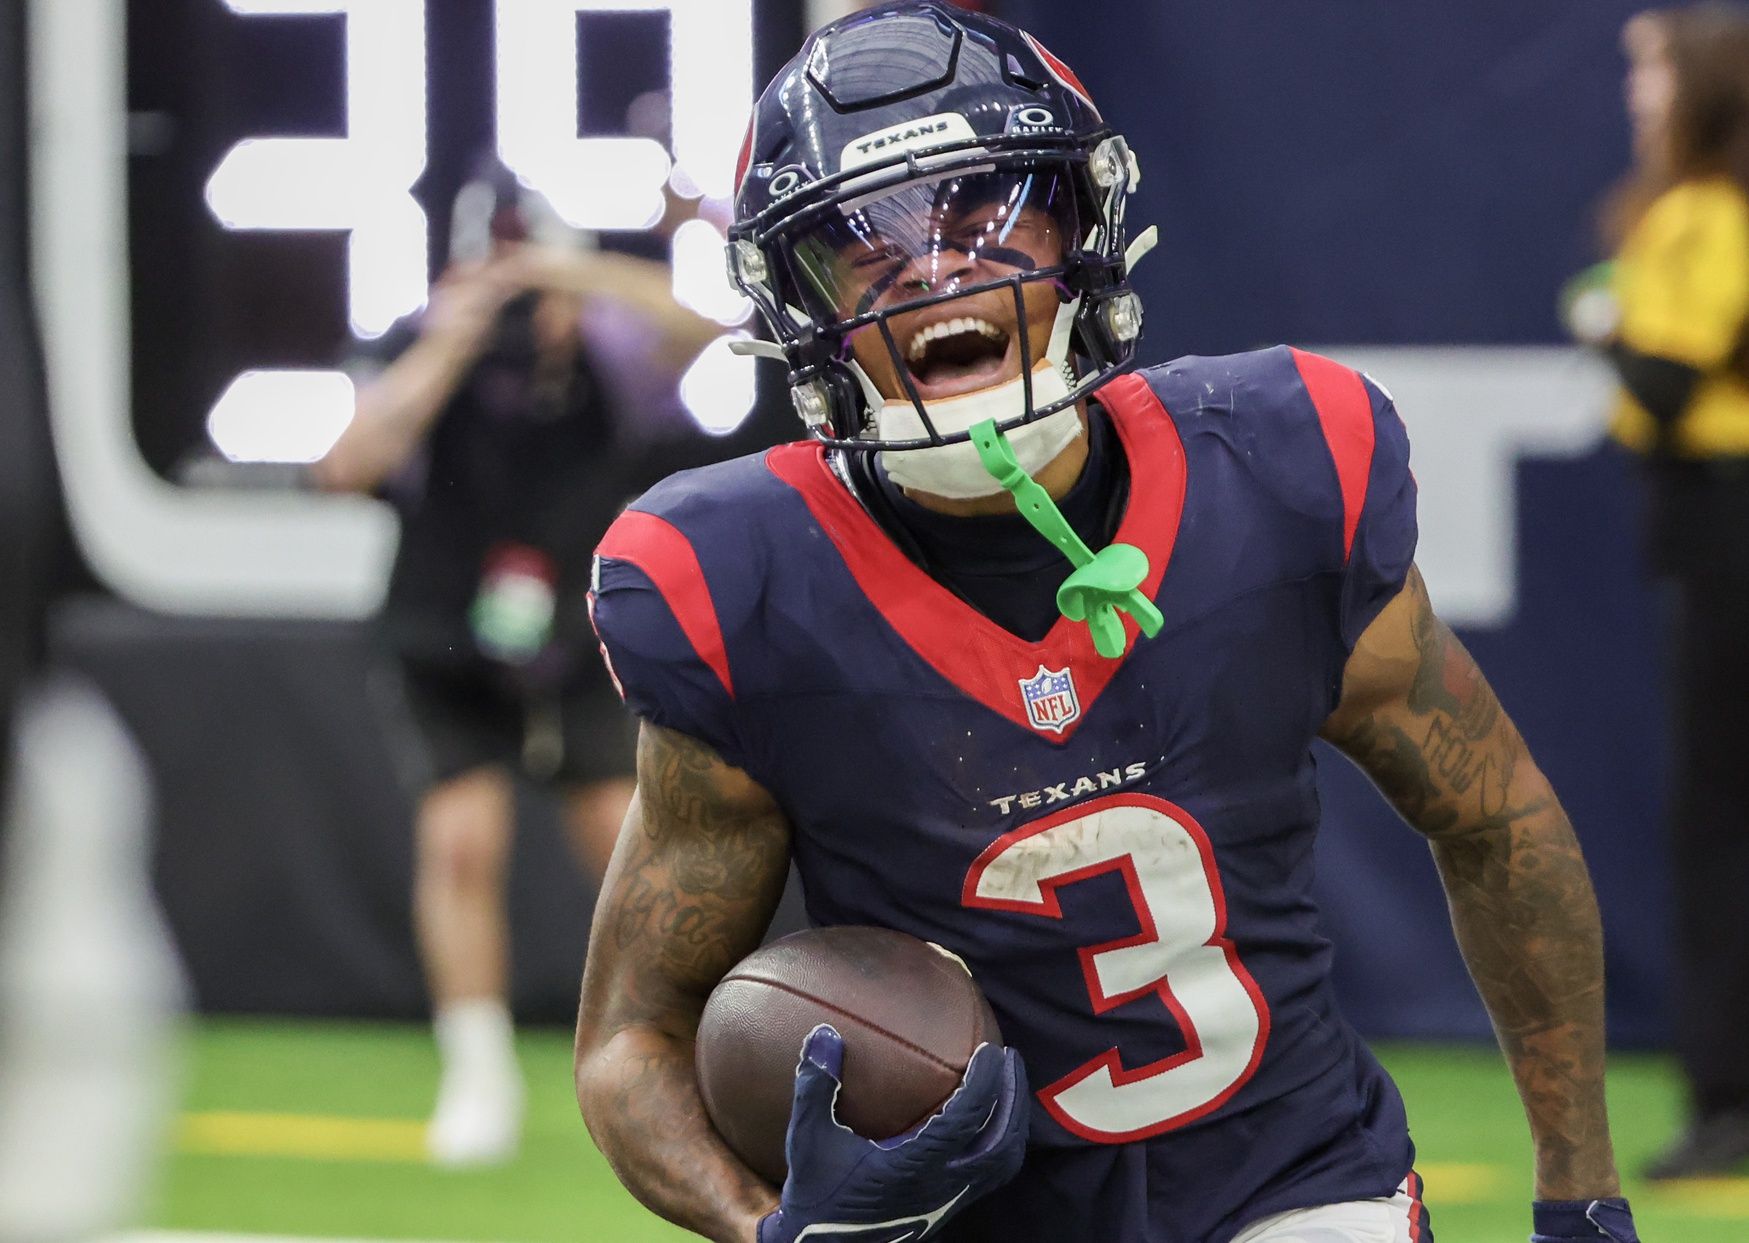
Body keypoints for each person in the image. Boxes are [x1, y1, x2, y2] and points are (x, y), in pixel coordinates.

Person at [576, 5, 1639, 1241]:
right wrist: (773, 1224)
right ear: (798, 301)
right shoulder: (742, 586)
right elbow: (627, 1039)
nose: (936, 271)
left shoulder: (1277, 469)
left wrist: (1581, 1186)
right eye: (863, 246)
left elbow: (1496, 815)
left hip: (1294, 1182)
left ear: (1082, 225)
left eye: (984, 211)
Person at [313, 161, 720, 1166]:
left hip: (577, 635)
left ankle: (694, 1049)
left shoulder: (606, 352)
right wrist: (452, 339)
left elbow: (703, 328)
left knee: (629, 847)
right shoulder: (418, 347)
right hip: (446, 633)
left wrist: (573, 277)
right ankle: (477, 1067)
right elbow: (343, 466)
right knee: (460, 842)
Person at [1579, 1, 1749, 1183]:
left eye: (1652, 76)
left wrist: (1603, 320)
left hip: (1724, 520)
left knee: (1719, 820)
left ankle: (1730, 1098)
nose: (1640, 98)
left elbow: (1671, 377)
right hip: (1707, 522)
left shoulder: (1705, 212)